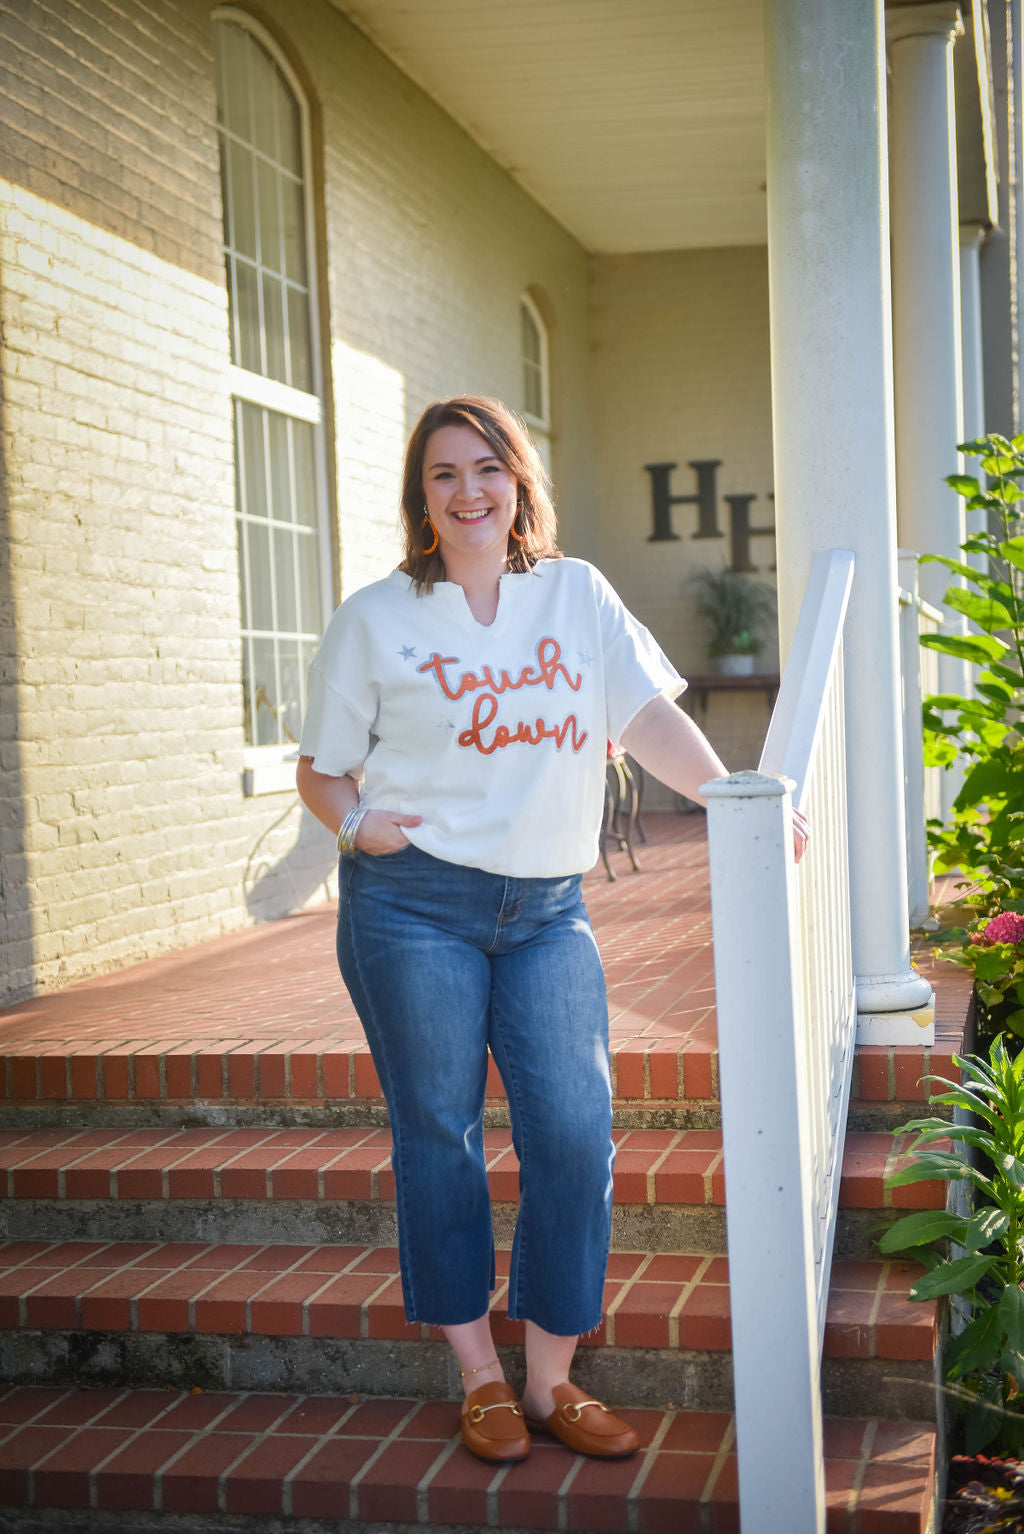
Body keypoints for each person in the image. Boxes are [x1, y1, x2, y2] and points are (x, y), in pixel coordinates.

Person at [296, 395, 805, 1465]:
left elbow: (645, 714)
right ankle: (478, 1374)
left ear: (520, 480)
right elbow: (321, 766)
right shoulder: (375, 617)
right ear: (419, 496)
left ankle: (549, 1378)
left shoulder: (575, 594)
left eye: (487, 468)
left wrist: (733, 800)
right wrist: (357, 827)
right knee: (439, 1132)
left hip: (545, 910)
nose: (468, 490)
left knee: (572, 1132)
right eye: (443, 473)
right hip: (411, 902)